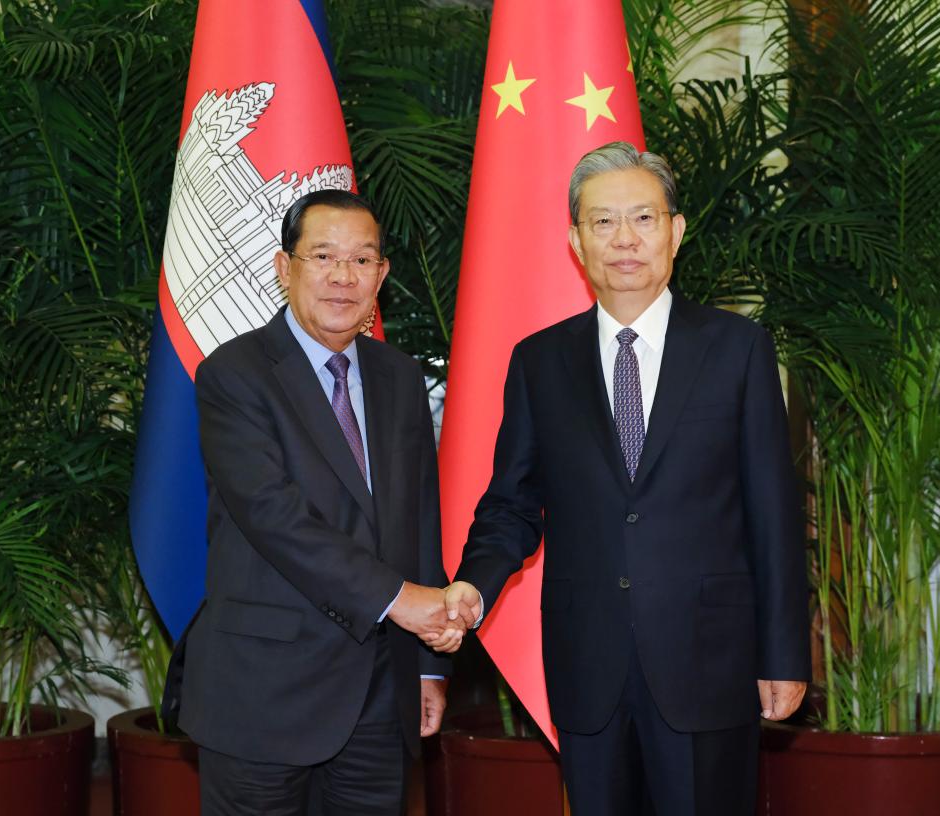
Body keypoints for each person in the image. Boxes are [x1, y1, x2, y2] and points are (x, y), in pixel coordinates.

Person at [438, 142, 811, 815]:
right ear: (575, 241)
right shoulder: (539, 362)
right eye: (602, 222)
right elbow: (512, 504)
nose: (624, 239)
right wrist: (474, 582)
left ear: (675, 230)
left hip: (709, 660)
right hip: (589, 664)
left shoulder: (737, 349)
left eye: (643, 218)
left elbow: (772, 513)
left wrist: (783, 653)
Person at [177, 189, 462, 816]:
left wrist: (425, 668)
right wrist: (401, 600)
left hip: (379, 694)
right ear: (285, 267)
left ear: (381, 276)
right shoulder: (234, 374)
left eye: (362, 260)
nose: (343, 276)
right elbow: (274, 516)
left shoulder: (400, 377)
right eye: (324, 256)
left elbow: (418, 520)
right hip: (264, 692)